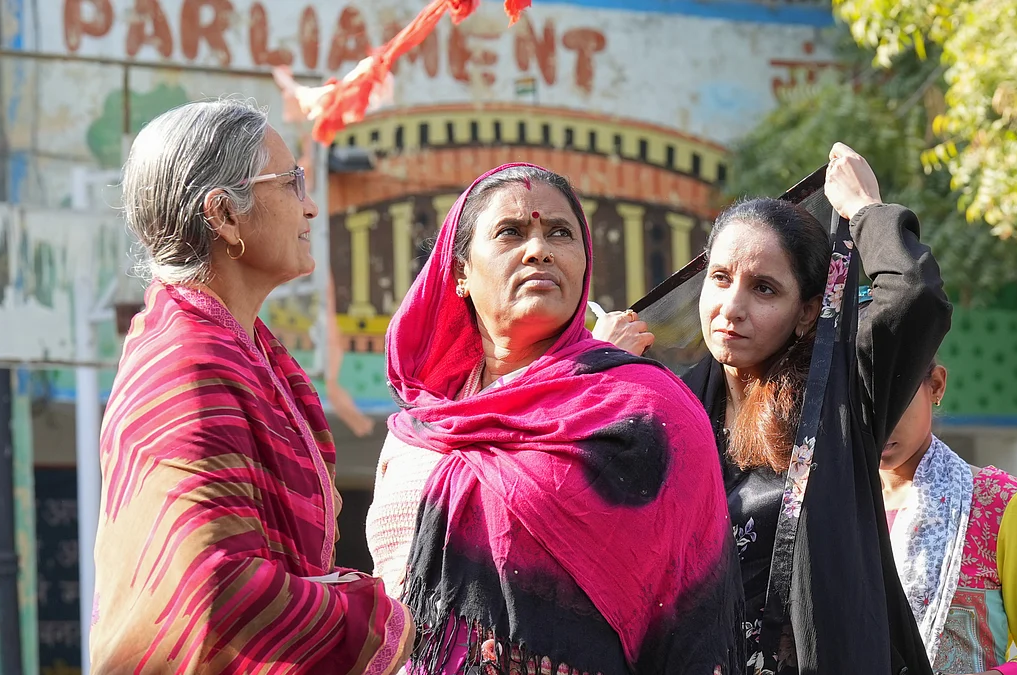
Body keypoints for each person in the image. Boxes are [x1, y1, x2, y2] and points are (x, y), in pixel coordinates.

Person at [368, 163, 743, 675]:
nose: (539, 250)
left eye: (560, 233)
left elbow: (684, 608)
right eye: (511, 232)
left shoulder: (647, 411)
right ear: (460, 274)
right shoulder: (422, 427)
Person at [596, 143, 950, 675]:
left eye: (764, 289)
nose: (731, 307)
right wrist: (599, 372)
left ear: (807, 312)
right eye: (720, 278)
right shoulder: (672, 405)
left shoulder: (838, 398)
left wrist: (867, 211)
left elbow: (915, 296)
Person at [90, 99, 412, 675]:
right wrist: (383, 622)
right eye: (291, 183)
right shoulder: (186, 360)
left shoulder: (242, 351)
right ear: (224, 215)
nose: (311, 207)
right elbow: (215, 589)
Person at [880, 358, 1017, 675]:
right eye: (861, 402)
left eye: (896, 397)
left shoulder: (1003, 503)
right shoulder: (829, 511)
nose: (880, 419)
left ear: (936, 385)